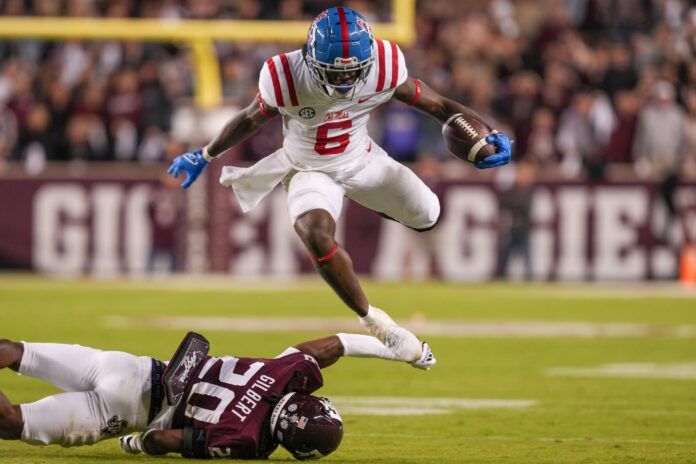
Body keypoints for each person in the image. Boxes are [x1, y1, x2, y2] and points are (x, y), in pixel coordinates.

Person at [167, 7, 512, 362]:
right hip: (307, 168)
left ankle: (373, 200)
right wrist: (206, 154)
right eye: (334, 73)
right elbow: (250, 119)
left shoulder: (386, 65)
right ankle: (375, 321)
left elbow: (439, 105)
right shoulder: (285, 75)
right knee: (315, 233)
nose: (344, 83)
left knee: (428, 215)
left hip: (362, 159)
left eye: (353, 72)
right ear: (309, 58)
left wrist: (487, 131)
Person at [0, 333, 434, 460]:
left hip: (133, 366)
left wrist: (397, 349)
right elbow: (162, 441)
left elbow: (337, 343)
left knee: (17, 353)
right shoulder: (246, 441)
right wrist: (138, 444)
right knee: (10, 423)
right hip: (129, 411)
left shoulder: (282, 373)